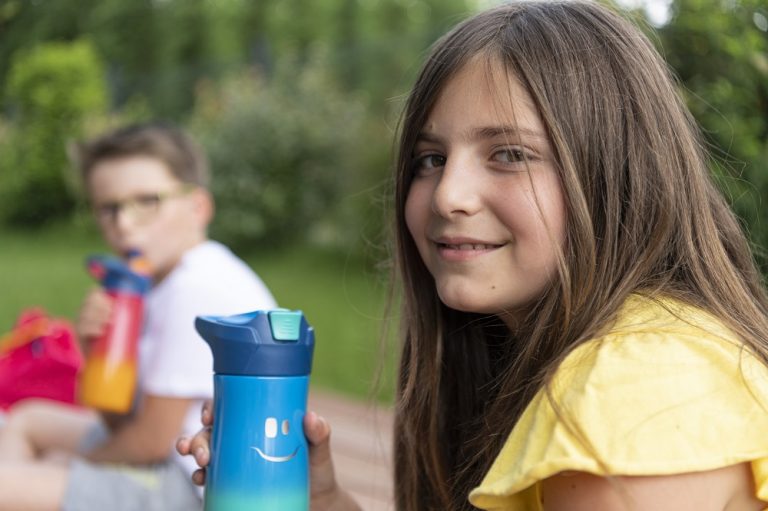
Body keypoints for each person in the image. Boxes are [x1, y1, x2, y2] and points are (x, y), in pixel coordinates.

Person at [178, 2, 768, 510]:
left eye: (509, 153)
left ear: (616, 177)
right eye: (430, 159)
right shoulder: (591, 357)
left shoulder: (638, 386)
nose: (448, 195)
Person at [0, 122, 277, 511]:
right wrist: (95, 350)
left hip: (197, 487)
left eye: (147, 201)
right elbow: (122, 424)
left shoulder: (197, 287)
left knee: (9, 485)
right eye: (108, 208)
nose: (124, 224)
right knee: (27, 420)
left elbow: (148, 443)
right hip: (164, 463)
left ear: (198, 207)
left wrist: (70, 467)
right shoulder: (160, 284)